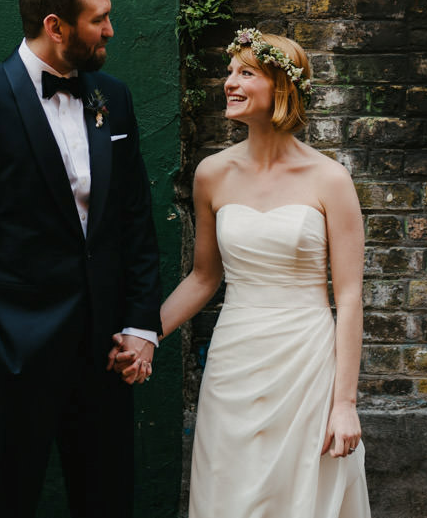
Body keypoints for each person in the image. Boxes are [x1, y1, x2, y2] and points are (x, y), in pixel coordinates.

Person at [0, 0, 163, 518]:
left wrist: (141, 326)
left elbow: (134, 219)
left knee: (107, 503)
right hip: (13, 353)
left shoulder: (113, 98)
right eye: (98, 20)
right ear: (55, 26)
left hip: (106, 352)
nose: (110, 30)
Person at [119, 28, 370, 517]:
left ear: (281, 85)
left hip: (306, 362)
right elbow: (203, 278)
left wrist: (345, 403)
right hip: (235, 359)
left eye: (246, 73)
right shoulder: (212, 174)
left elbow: (349, 297)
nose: (229, 83)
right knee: (230, 492)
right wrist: (146, 335)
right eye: (229, 72)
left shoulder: (331, 180)